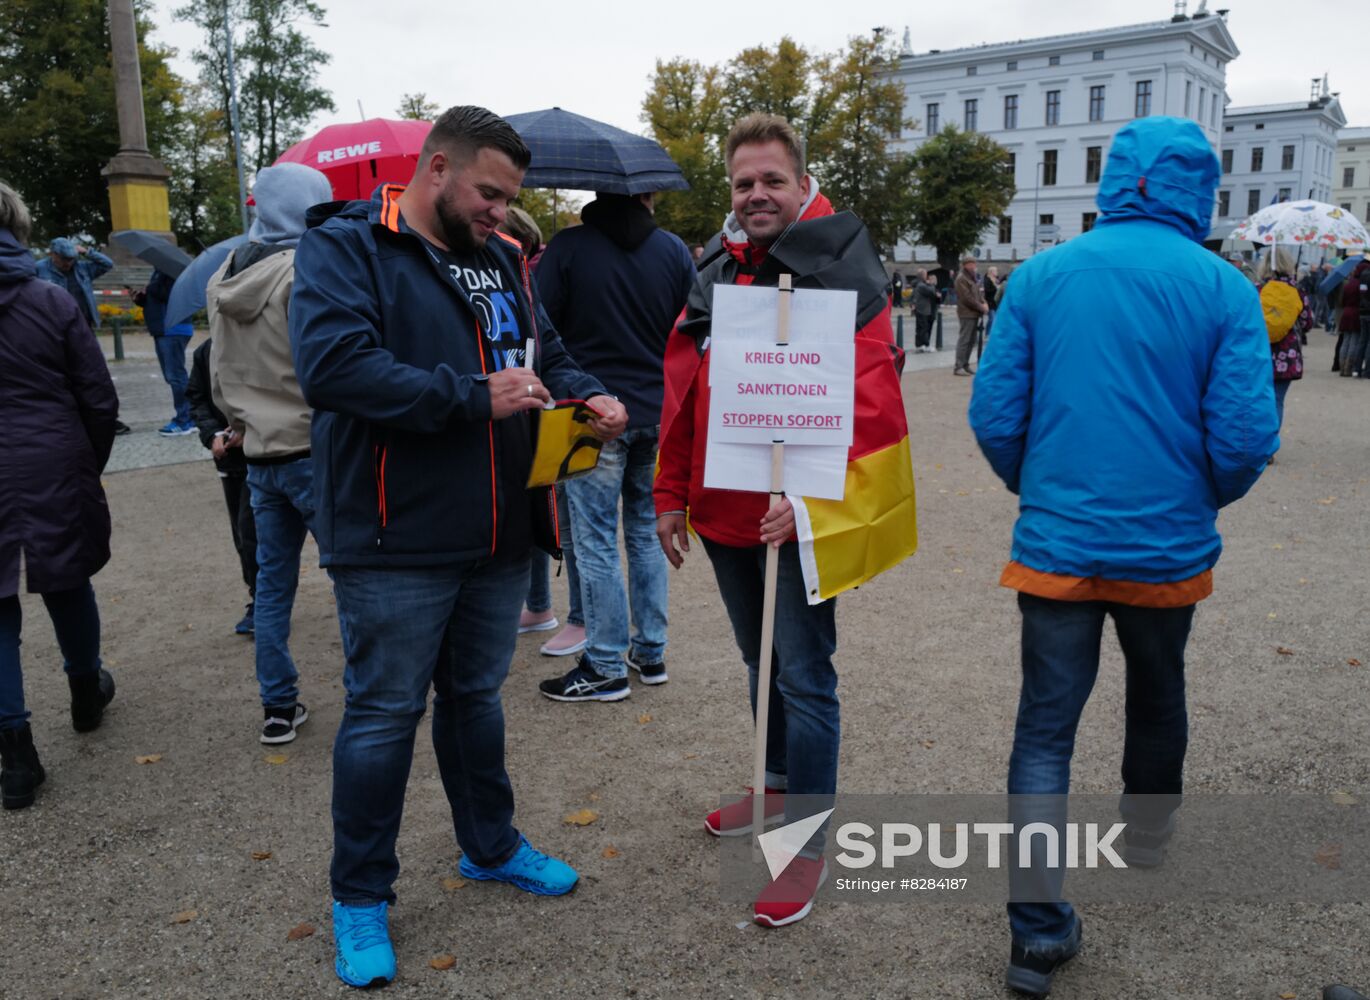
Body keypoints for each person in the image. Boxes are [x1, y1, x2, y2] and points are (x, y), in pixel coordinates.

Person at [290, 105, 626, 989]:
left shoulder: (503, 258)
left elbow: (544, 352)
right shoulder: (347, 245)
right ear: (436, 169)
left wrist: (587, 393)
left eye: (510, 198)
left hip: (499, 531)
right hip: (394, 533)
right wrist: (473, 396)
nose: (500, 211)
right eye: (488, 193)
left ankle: (490, 846)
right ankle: (360, 895)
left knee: (475, 700)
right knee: (381, 718)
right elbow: (331, 368)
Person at [968, 117, 1277, 997]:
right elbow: (1247, 435)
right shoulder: (1223, 288)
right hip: (1164, 544)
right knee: (1158, 691)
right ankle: (1146, 833)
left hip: (1058, 544)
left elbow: (994, 417)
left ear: (1115, 184)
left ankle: (1036, 934)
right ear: (1197, 190)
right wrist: (1197, 496)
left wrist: (1042, 485)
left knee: (1043, 731)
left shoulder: (1039, 276)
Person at [655, 112, 906, 928]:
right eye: (743, 183)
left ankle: (806, 836)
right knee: (757, 662)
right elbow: (685, 384)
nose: (756, 194)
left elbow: (871, 403)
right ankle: (771, 786)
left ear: (802, 183)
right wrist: (668, 493)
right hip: (725, 511)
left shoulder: (841, 264)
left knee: (805, 674)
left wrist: (807, 506)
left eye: (772, 180)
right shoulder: (714, 267)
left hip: (796, 521)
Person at [536, 190, 693, 702]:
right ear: (648, 193)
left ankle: (604, 663)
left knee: (595, 539)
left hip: (591, 410)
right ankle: (650, 651)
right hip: (657, 409)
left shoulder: (568, 248)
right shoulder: (671, 250)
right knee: (646, 534)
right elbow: (690, 327)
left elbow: (540, 324)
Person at [0, 183, 118, 811]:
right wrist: (84, 462)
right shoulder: (50, 300)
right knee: (68, 579)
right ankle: (83, 691)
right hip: (51, 455)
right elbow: (98, 397)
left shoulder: (49, 295)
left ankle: (15, 752)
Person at [208, 161, 334, 745]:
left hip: (257, 454)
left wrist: (236, 421)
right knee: (353, 578)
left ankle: (278, 705)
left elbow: (218, 369)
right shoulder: (306, 270)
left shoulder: (223, 276)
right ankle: (370, 693)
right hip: (312, 446)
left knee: (272, 587)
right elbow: (322, 365)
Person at [496, 207, 584, 655]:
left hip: (563, 406)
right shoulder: (669, 253)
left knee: (573, 527)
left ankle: (578, 620)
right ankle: (541, 606)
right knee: (559, 517)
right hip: (596, 399)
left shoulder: (536, 275)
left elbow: (549, 341)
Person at [185, 336, 257, 634]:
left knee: (255, 529)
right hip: (229, 458)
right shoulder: (207, 351)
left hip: (272, 451)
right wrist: (213, 433)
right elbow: (197, 397)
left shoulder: (260, 337)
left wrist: (251, 426)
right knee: (243, 532)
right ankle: (259, 599)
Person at [35, 237, 130, 435]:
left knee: (94, 373)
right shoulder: (39, 269)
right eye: (63, 259)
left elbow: (108, 264)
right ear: (52, 254)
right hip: (53, 331)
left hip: (83, 328)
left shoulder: (82, 267)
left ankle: (107, 419)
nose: (68, 263)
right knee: (61, 374)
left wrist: (86, 251)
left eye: (71, 258)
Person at [1256, 247, 1312, 440]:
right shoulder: (1297, 291)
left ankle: (1257, 443)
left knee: (1259, 401)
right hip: (1287, 356)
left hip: (1259, 354)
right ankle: (1270, 445)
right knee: (1277, 401)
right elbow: (1307, 323)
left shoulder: (1257, 289)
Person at [132, 269, 196, 436]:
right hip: (163, 329)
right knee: (173, 376)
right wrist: (141, 298)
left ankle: (185, 420)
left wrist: (150, 288)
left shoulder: (173, 271)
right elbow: (158, 300)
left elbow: (171, 295)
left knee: (176, 376)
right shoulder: (159, 271)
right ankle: (188, 416)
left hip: (173, 328)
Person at [953, 255, 987, 375]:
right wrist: (981, 307)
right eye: (971, 264)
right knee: (965, 340)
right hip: (966, 313)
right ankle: (958, 366)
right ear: (965, 265)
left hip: (974, 313)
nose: (974, 266)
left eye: (974, 263)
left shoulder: (971, 277)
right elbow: (967, 298)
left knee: (971, 340)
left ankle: (965, 364)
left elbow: (977, 293)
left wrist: (984, 302)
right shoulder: (961, 278)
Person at [912, 267, 941, 352]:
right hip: (923, 309)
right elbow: (931, 292)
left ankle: (920, 345)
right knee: (923, 328)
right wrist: (932, 284)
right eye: (926, 275)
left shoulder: (920, 284)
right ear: (923, 276)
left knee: (921, 328)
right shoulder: (921, 285)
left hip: (923, 309)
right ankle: (925, 345)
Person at [983, 265, 1001, 338]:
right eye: (995, 271)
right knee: (991, 318)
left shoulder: (996, 279)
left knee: (995, 319)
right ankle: (987, 334)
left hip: (995, 303)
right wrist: (996, 288)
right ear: (991, 272)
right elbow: (987, 290)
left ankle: (992, 333)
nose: (997, 272)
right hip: (990, 302)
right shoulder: (987, 279)